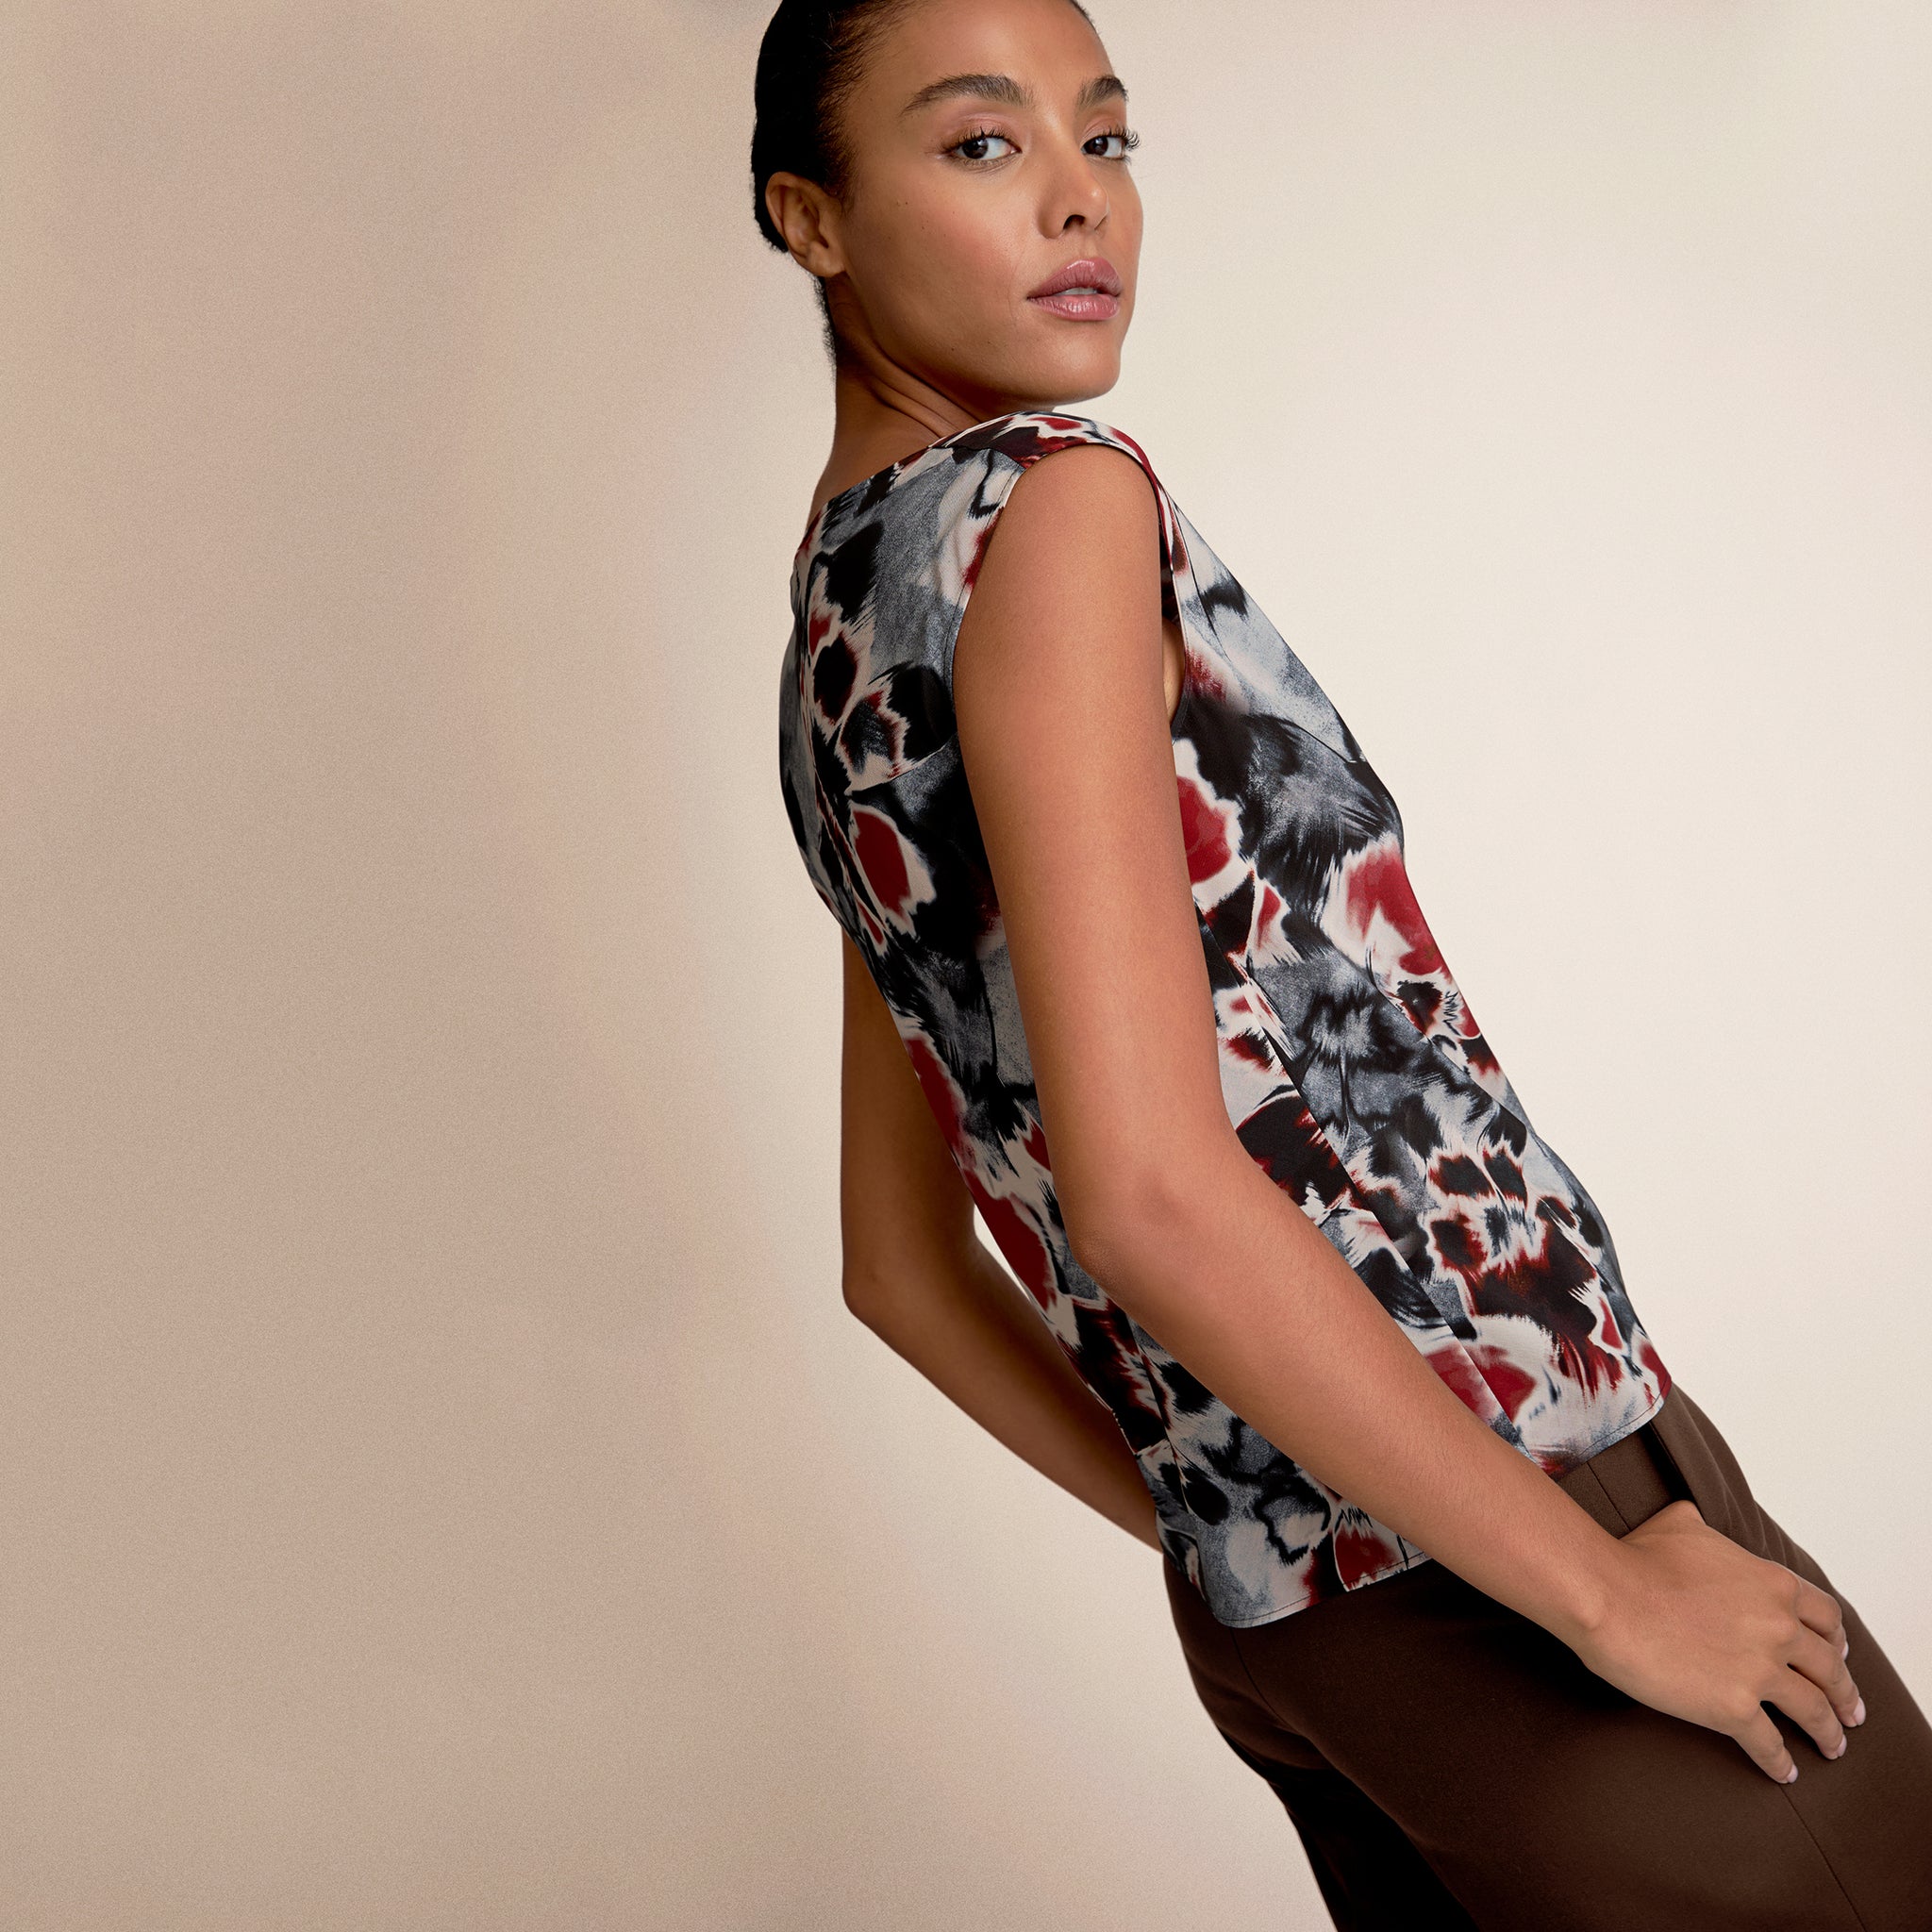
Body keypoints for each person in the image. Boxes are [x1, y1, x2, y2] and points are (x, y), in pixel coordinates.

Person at [752, 0, 1932, 1924]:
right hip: (1529, 1524)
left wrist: (1236, 1528)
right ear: (811, 215)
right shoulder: (1056, 506)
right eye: (980, 146)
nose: (1077, 200)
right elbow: (1138, 1192)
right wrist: (1600, 1586)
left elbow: (900, 1265)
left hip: (1291, 1635)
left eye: (1106, 138)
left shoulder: (833, 638)